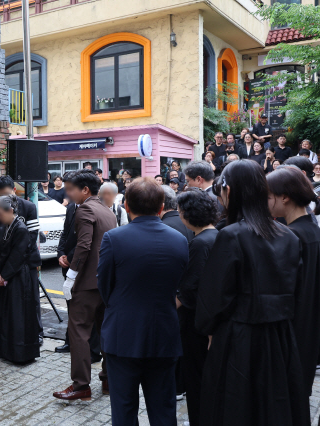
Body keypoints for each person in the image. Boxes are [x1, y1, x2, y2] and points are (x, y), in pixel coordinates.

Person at [195, 160, 309, 426]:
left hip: (239, 338)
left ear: (230, 191)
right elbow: (298, 290)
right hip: (280, 337)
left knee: (237, 406)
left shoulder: (232, 235)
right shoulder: (290, 236)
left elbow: (213, 298)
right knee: (276, 403)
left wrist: (208, 329)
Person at [98, 178, 188, 426]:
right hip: (164, 333)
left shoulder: (113, 239)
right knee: (163, 408)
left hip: (122, 333)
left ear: (126, 206)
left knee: (124, 409)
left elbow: (104, 287)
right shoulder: (179, 240)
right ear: (161, 207)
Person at [53, 170, 117, 401]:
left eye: (70, 189)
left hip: (87, 283)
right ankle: (108, 380)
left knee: (79, 332)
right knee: (104, 331)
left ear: (85, 190)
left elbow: (84, 246)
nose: (67, 194)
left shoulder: (85, 210)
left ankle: (81, 385)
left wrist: (71, 276)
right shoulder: (107, 211)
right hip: (105, 283)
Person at [267, 166, 320, 400]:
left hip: (292, 333)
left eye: (268, 197)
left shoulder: (291, 237)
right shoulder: (313, 231)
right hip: (310, 330)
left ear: (284, 197)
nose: (266, 203)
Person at [175, 189, 219, 426]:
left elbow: (190, 290)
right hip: (210, 323)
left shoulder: (200, 243)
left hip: (196, 325)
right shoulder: (217, 235)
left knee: (196, 380)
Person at [0, 175, 43, 344]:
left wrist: (18, 261)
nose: (3, 197)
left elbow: (32, 237)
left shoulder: (28, 207)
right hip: (7, 263)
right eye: (0, 195)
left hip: (26, 262)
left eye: (5, 193)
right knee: (8, 305)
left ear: (14, 190)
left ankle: (37, 333)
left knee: (32, 300)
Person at [55, 173, 77, 354]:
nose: (67, 193)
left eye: (70, 189)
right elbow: (65, 234)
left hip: (79, 266)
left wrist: (70, 257)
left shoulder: (89, 208)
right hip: (67, 264)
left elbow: (84, 242)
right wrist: (61, 253)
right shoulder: (70, 208)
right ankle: (69, 341)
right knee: (70, 305)